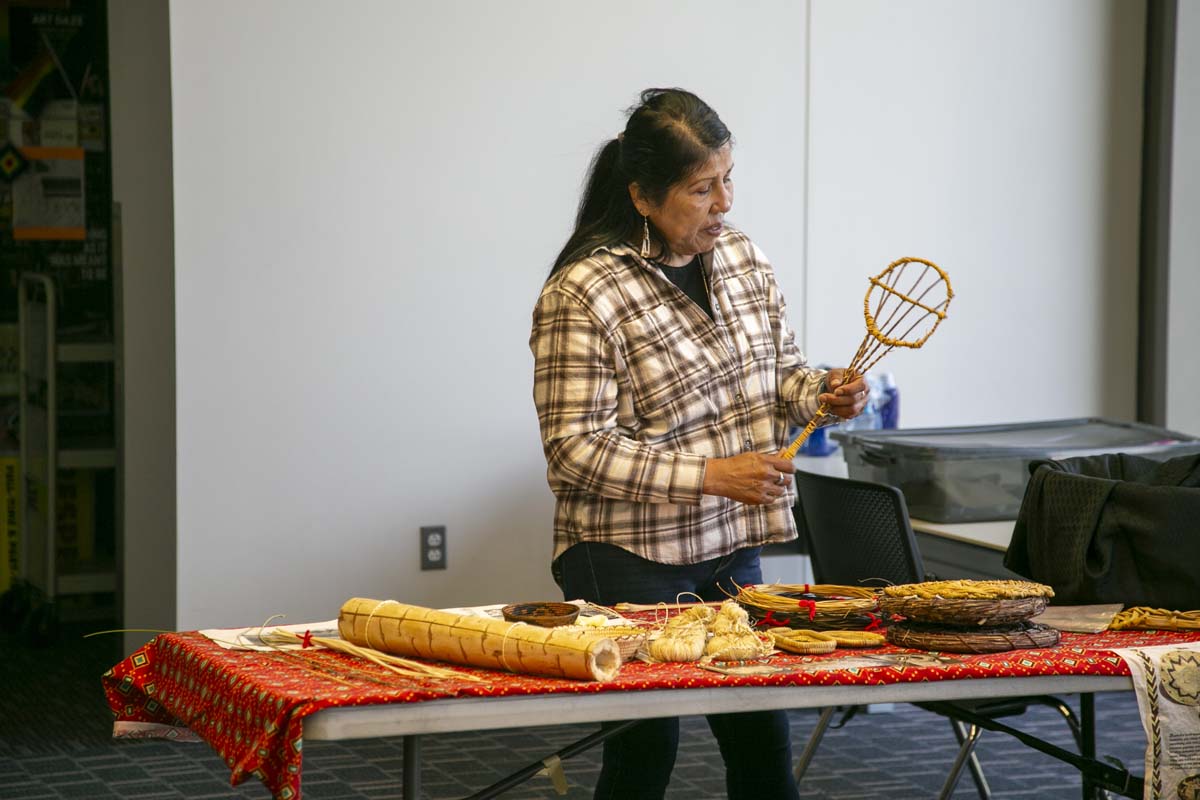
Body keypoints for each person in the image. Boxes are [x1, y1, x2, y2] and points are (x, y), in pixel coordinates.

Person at [529, 88, 869, 800]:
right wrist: (711, 474)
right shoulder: (585, 292)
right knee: (645, 755)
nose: (724, 202)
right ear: (644, 197)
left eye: (727, 178)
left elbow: (778, 376)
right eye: (702, 187)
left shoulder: (743, 258)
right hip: (624, 556)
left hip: (731, 542)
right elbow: (574, 451)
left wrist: (822, 395)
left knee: (762, 746)